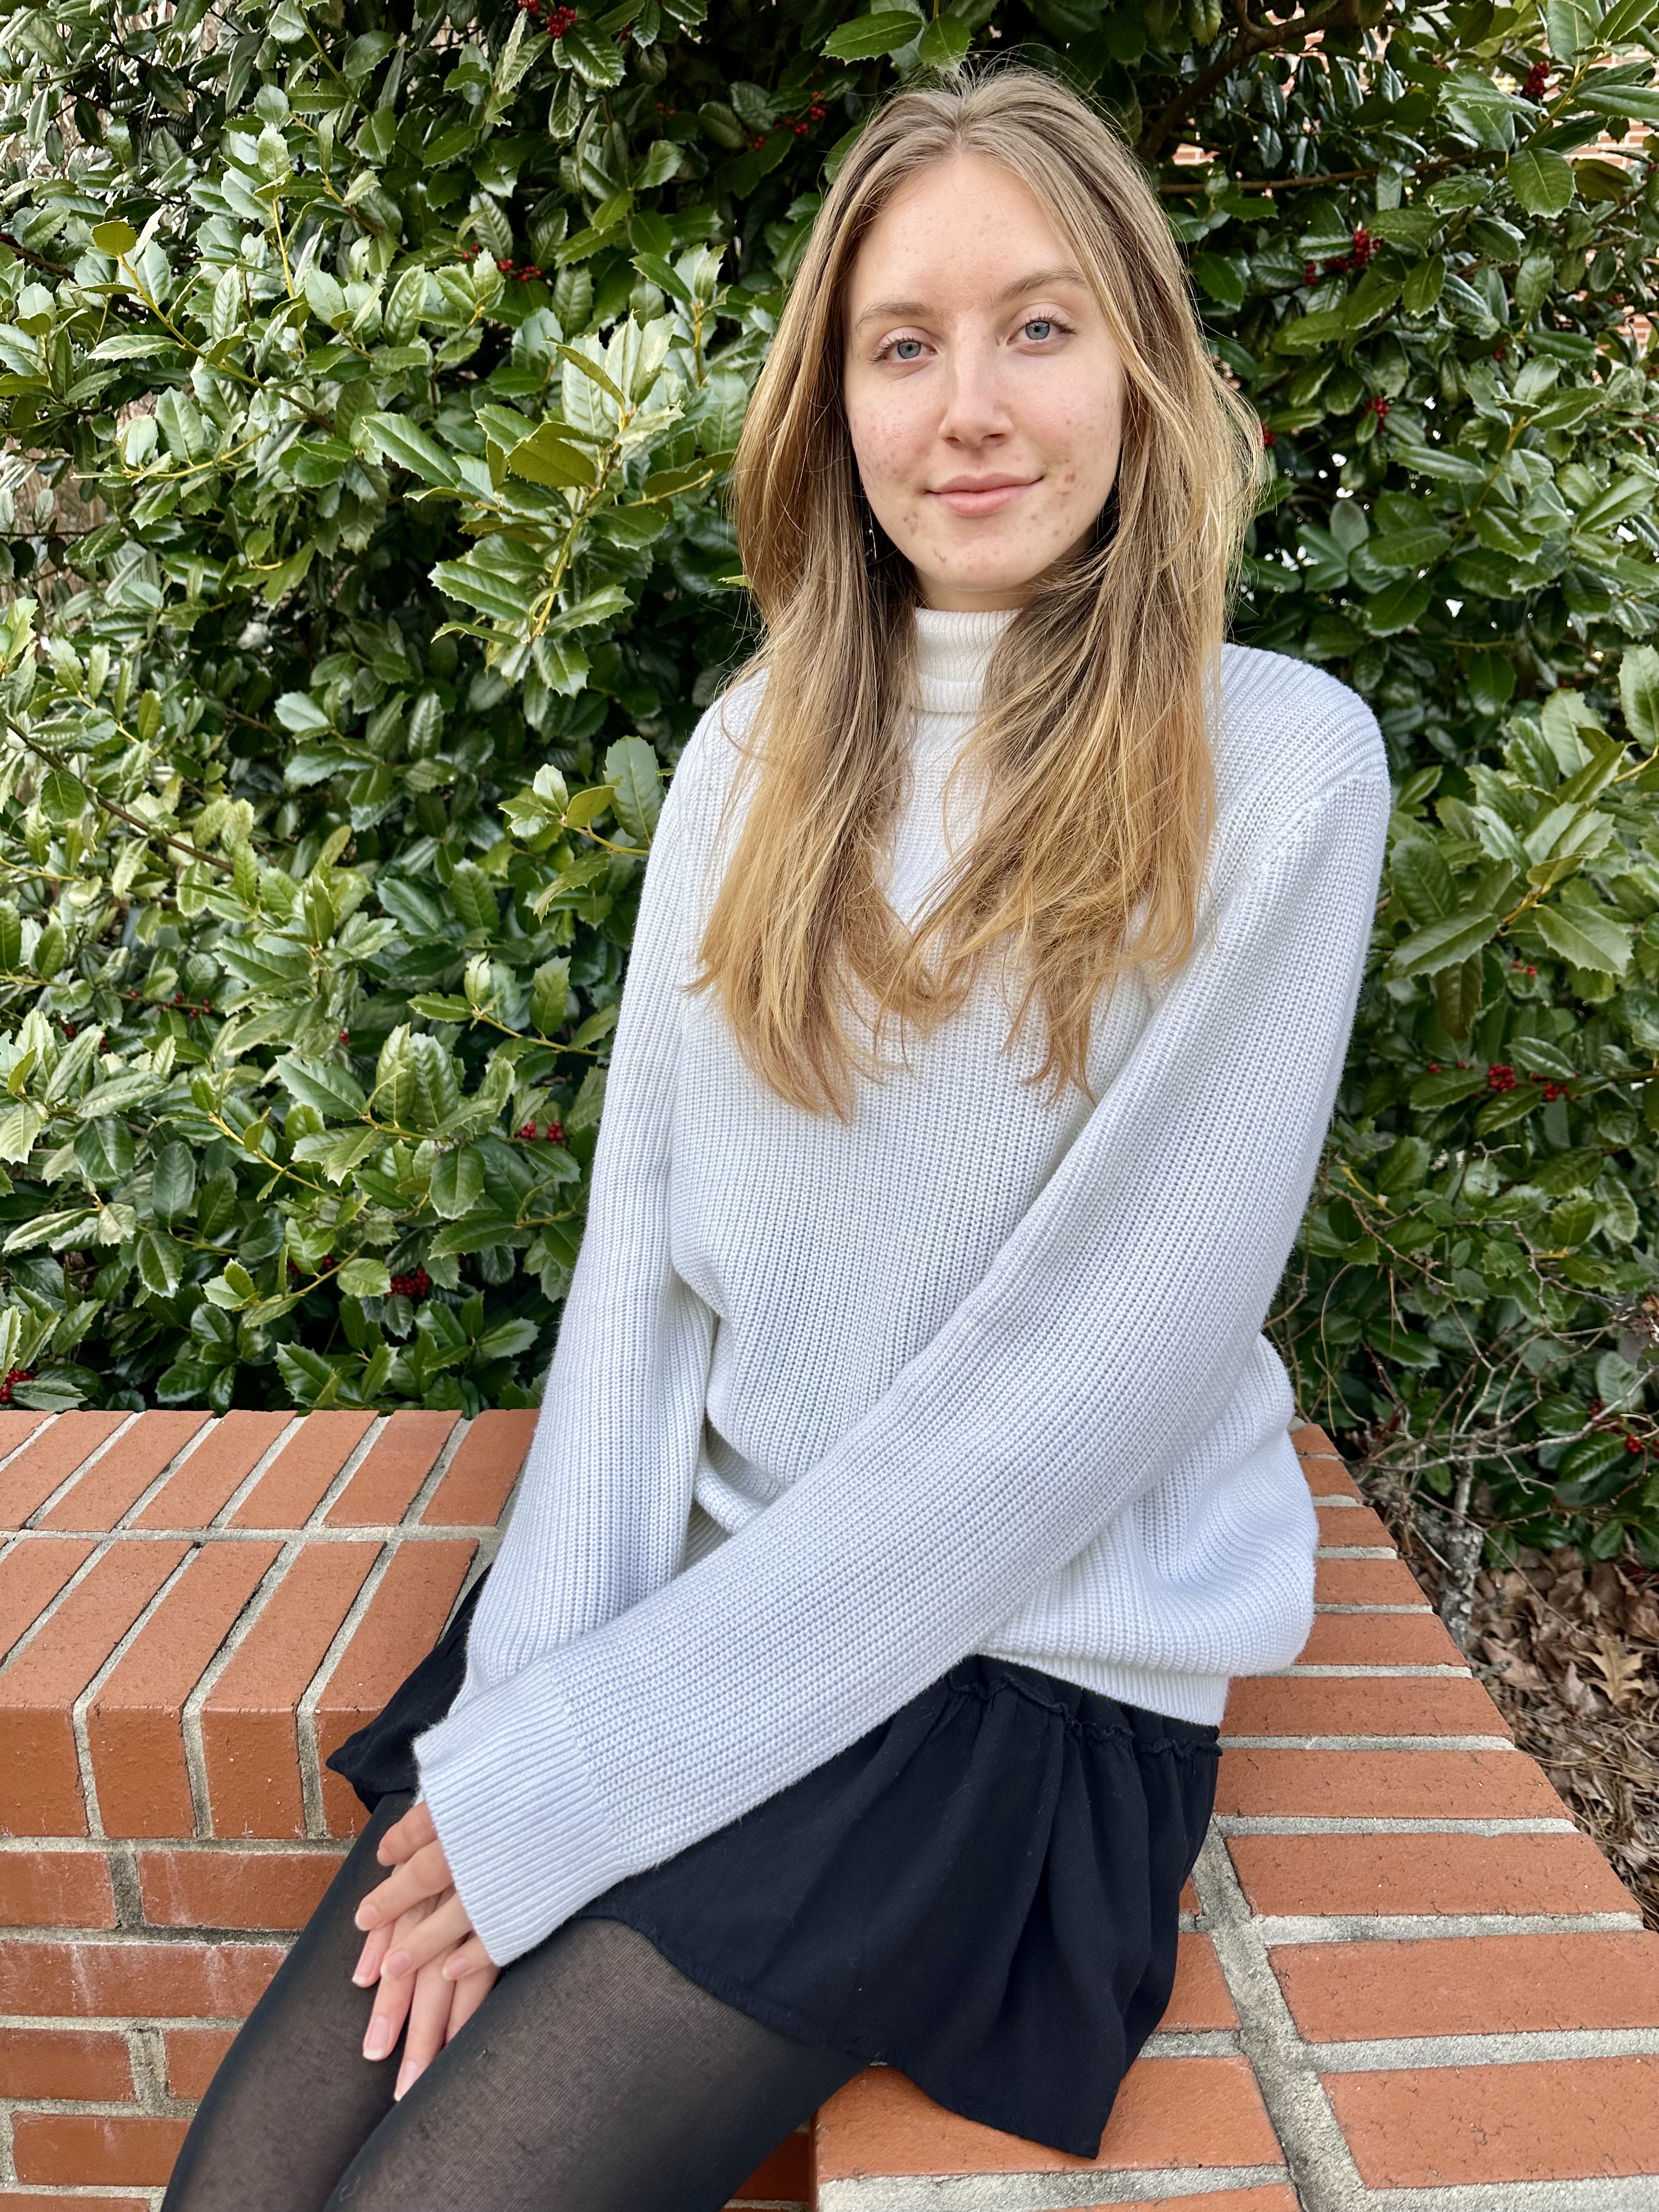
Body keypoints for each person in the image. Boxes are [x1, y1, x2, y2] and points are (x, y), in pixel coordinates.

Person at [161, 58, 1390, 2212]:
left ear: (1142, 364)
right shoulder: (757, 748)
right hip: (688, 1594)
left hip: (993, 1667)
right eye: (901, 347)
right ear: (833, 405)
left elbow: (1058, 1415)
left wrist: (583, 1783)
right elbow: (638, 1302)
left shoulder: (1279, 771)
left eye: (1039, 324)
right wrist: (522, 1729)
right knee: (239, 2193)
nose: (969, 406)